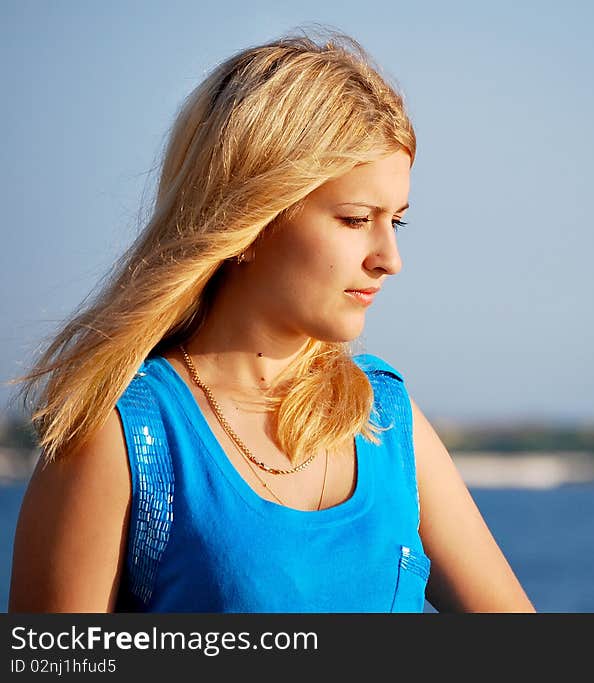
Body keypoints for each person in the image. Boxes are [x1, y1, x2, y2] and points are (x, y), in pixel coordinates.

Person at [7, 30, 535, 613]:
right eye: (357, 219)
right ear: (250, 218)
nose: (389, 258)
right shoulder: (124, 436)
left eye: (397, 222)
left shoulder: (384, 420)